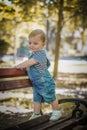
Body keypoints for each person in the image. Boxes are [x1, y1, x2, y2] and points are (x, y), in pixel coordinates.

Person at [15, 29, 62, 121]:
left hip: (44, 81)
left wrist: (19, 66)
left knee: (51, 96)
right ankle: (36, 114)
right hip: (36, 83)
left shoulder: (40, 54)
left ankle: (56, 111)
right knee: (36, 99)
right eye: (30, 42)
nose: (31, 45)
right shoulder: (34, 54)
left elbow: (30, 62)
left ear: (43, 44)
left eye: (35, 43)